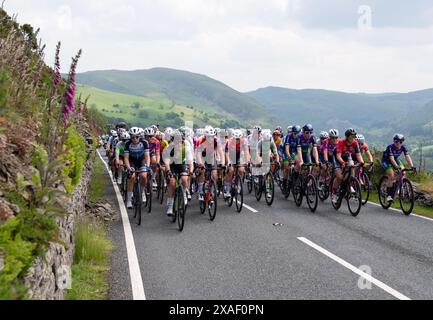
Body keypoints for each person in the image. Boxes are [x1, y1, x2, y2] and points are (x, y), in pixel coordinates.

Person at [164, 130, 194, 216]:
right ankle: (170, 206)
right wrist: (168, 171)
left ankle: (184, 194)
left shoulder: (186, 147)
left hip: (182, 164)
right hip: (172, 165)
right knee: (172, 183)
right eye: (176, 139)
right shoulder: (169, 147)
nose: (178, 141)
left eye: (180, 139)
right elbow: (166, 161)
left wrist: (191, 172)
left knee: (184, 179)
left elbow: (190, 162)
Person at [333, 128, 365, 203]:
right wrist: (342, 163)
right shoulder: (341, 142)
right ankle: (334, 194)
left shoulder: (355, 143)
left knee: (352, 165)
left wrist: (362, 163)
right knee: (340, 177)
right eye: (351, 137)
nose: (352, 138)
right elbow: (338, 156)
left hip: (347, 157)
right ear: (347, 137)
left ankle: (349, 183)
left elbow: (358, 155)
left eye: (354, 137)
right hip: (338, 158)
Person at [381, 134, 415, 202]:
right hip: (386, 161)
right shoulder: (390, 147)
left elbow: (407, 157)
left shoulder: (403, 147)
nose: (398, 143)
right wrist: (397, 167)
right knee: (391, 175)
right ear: (394, 141)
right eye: (397, 141)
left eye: (400, 142)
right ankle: (389, 195)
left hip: (395, 160)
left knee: (403, 172)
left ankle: (397, 184)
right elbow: (391, 159)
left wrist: (412, 166)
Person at [124, 127, 150, 209]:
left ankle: (142, 192)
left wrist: (147, 166)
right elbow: (126, 158)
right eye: (132, 137)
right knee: (131, 177)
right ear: (130, 137)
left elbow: (147, 156)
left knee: (144, 176)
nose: (134, 139)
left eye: (136, 137)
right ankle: (128, 200)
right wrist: (128, 167)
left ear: (140, 136)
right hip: (132, 161)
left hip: (141, 160)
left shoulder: (144, 142)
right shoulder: (128, 144)